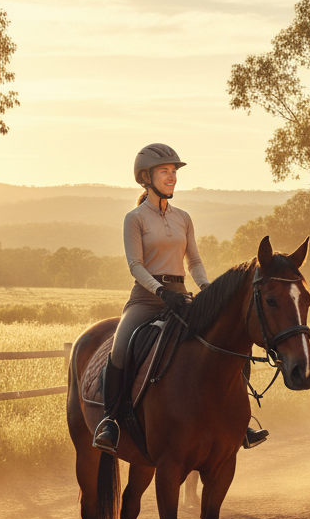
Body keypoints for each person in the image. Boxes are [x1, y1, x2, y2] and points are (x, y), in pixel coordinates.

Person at [93, 143, 267, 454]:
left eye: (174, 172)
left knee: (230, 341)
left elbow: (194, 261)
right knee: (120, 348)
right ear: (146, 177)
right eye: (165, 172)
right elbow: (135, 265)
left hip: (181, 297)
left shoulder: (183, 217)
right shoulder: (135, 218)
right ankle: (110, 421)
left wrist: (208, 291)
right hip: (146, 300)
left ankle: (240, 422)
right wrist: (159, 291)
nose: (172, 177)